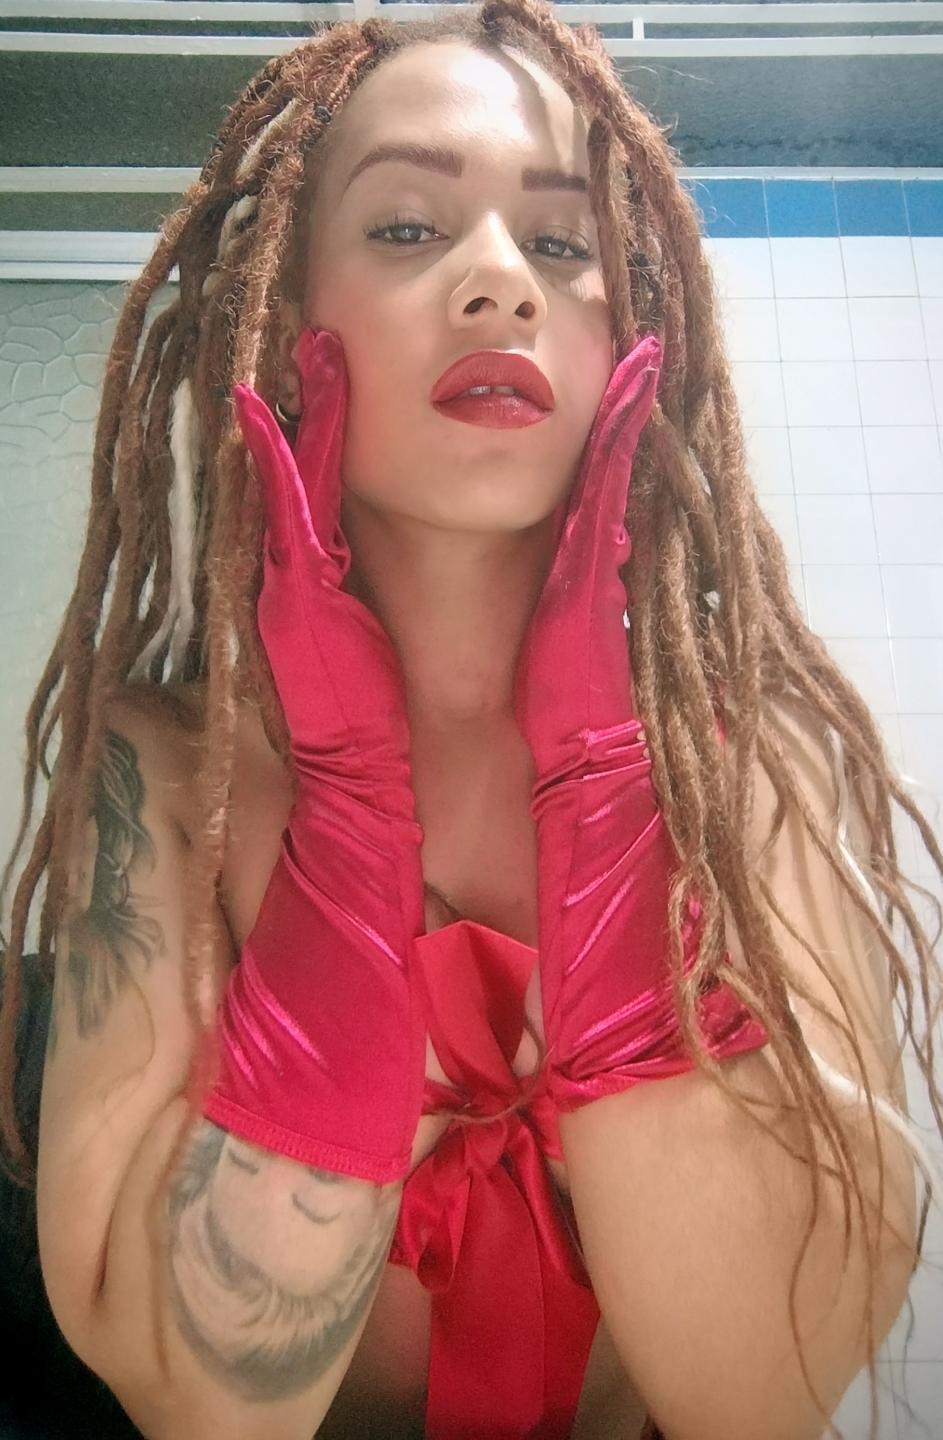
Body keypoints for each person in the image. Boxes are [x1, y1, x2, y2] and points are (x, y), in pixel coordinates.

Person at [0, 2, 940, 1437]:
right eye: (406, 228)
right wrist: (346, 823)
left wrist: (611, 787)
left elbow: (767, 1393)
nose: (501, 280)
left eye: (561, 245)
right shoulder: (168, 773)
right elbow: (198, 1407)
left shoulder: (756, 772)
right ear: (286, 329)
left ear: (629, 339)